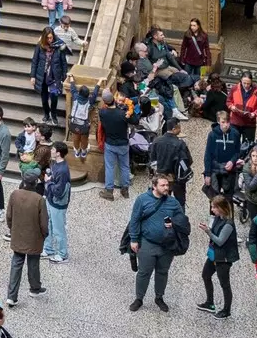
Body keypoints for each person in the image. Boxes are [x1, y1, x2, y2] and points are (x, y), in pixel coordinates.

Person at [126, 172, 188, 313]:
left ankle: (159, 297)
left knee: (162, 272)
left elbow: (182, 221)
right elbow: (134, 220)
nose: (166, 188)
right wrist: (134, 239)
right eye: (163, 185)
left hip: (167, 245)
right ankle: (139, 298)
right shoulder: (142, 200)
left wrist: (174, 223)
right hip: (148, 243)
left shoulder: (173, 202)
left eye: (167, 185)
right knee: (144, 272)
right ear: (154, 186)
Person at [4, 173, 47, 304]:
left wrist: (12, 229)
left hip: (18, 235)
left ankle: (11, 296)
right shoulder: (39, 199)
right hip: (34, 237)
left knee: (16, 263)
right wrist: (44, 235)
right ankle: (34, 288)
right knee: (33, 263)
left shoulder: (14, 194)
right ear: (35, 184)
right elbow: (44, 223)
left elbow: (9, 216)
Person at [198, 194, 240, 319]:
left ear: (221, 208)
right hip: (214, 254)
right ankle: (209, 302)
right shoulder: (217, 218)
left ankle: (227, 310)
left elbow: (220, 241)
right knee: (206, 275)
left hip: (223, 258)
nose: (212, 210)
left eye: (214, 208)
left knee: (225, 284)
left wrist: (208, 231)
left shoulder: (228, 224)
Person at [43, 140, 74, 263]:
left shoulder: (62, 170)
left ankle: (63, 254)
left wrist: (48, 182)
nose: (51, 151)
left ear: (58, 153)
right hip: (51, 200)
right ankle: (48, 248)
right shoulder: (55, 164)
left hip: (58, 203)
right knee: (49, 224)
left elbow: (58, 191)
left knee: (58, 229)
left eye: (53, 150)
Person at [100, 91, 136, 197]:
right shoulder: (122, 114)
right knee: (124, 167)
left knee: (110, 167)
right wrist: (128, 108)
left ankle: (109, 191)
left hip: (110, 143)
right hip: (123, 144)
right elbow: (135, 121)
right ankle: (125, 190)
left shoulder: (102, 113)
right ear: (114, 100)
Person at [31, 32, 68, 124]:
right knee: (44, 98)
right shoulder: (40, 46)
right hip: (42, 75)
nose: (49, 40)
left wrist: (64, 77)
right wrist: (33, 76)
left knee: (54, 97)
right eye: (47, 38)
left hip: (54, 76)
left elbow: (64, 63)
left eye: (51, 38)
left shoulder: (59, 46)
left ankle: (54, 115)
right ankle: (46, 114)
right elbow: (35, 61)